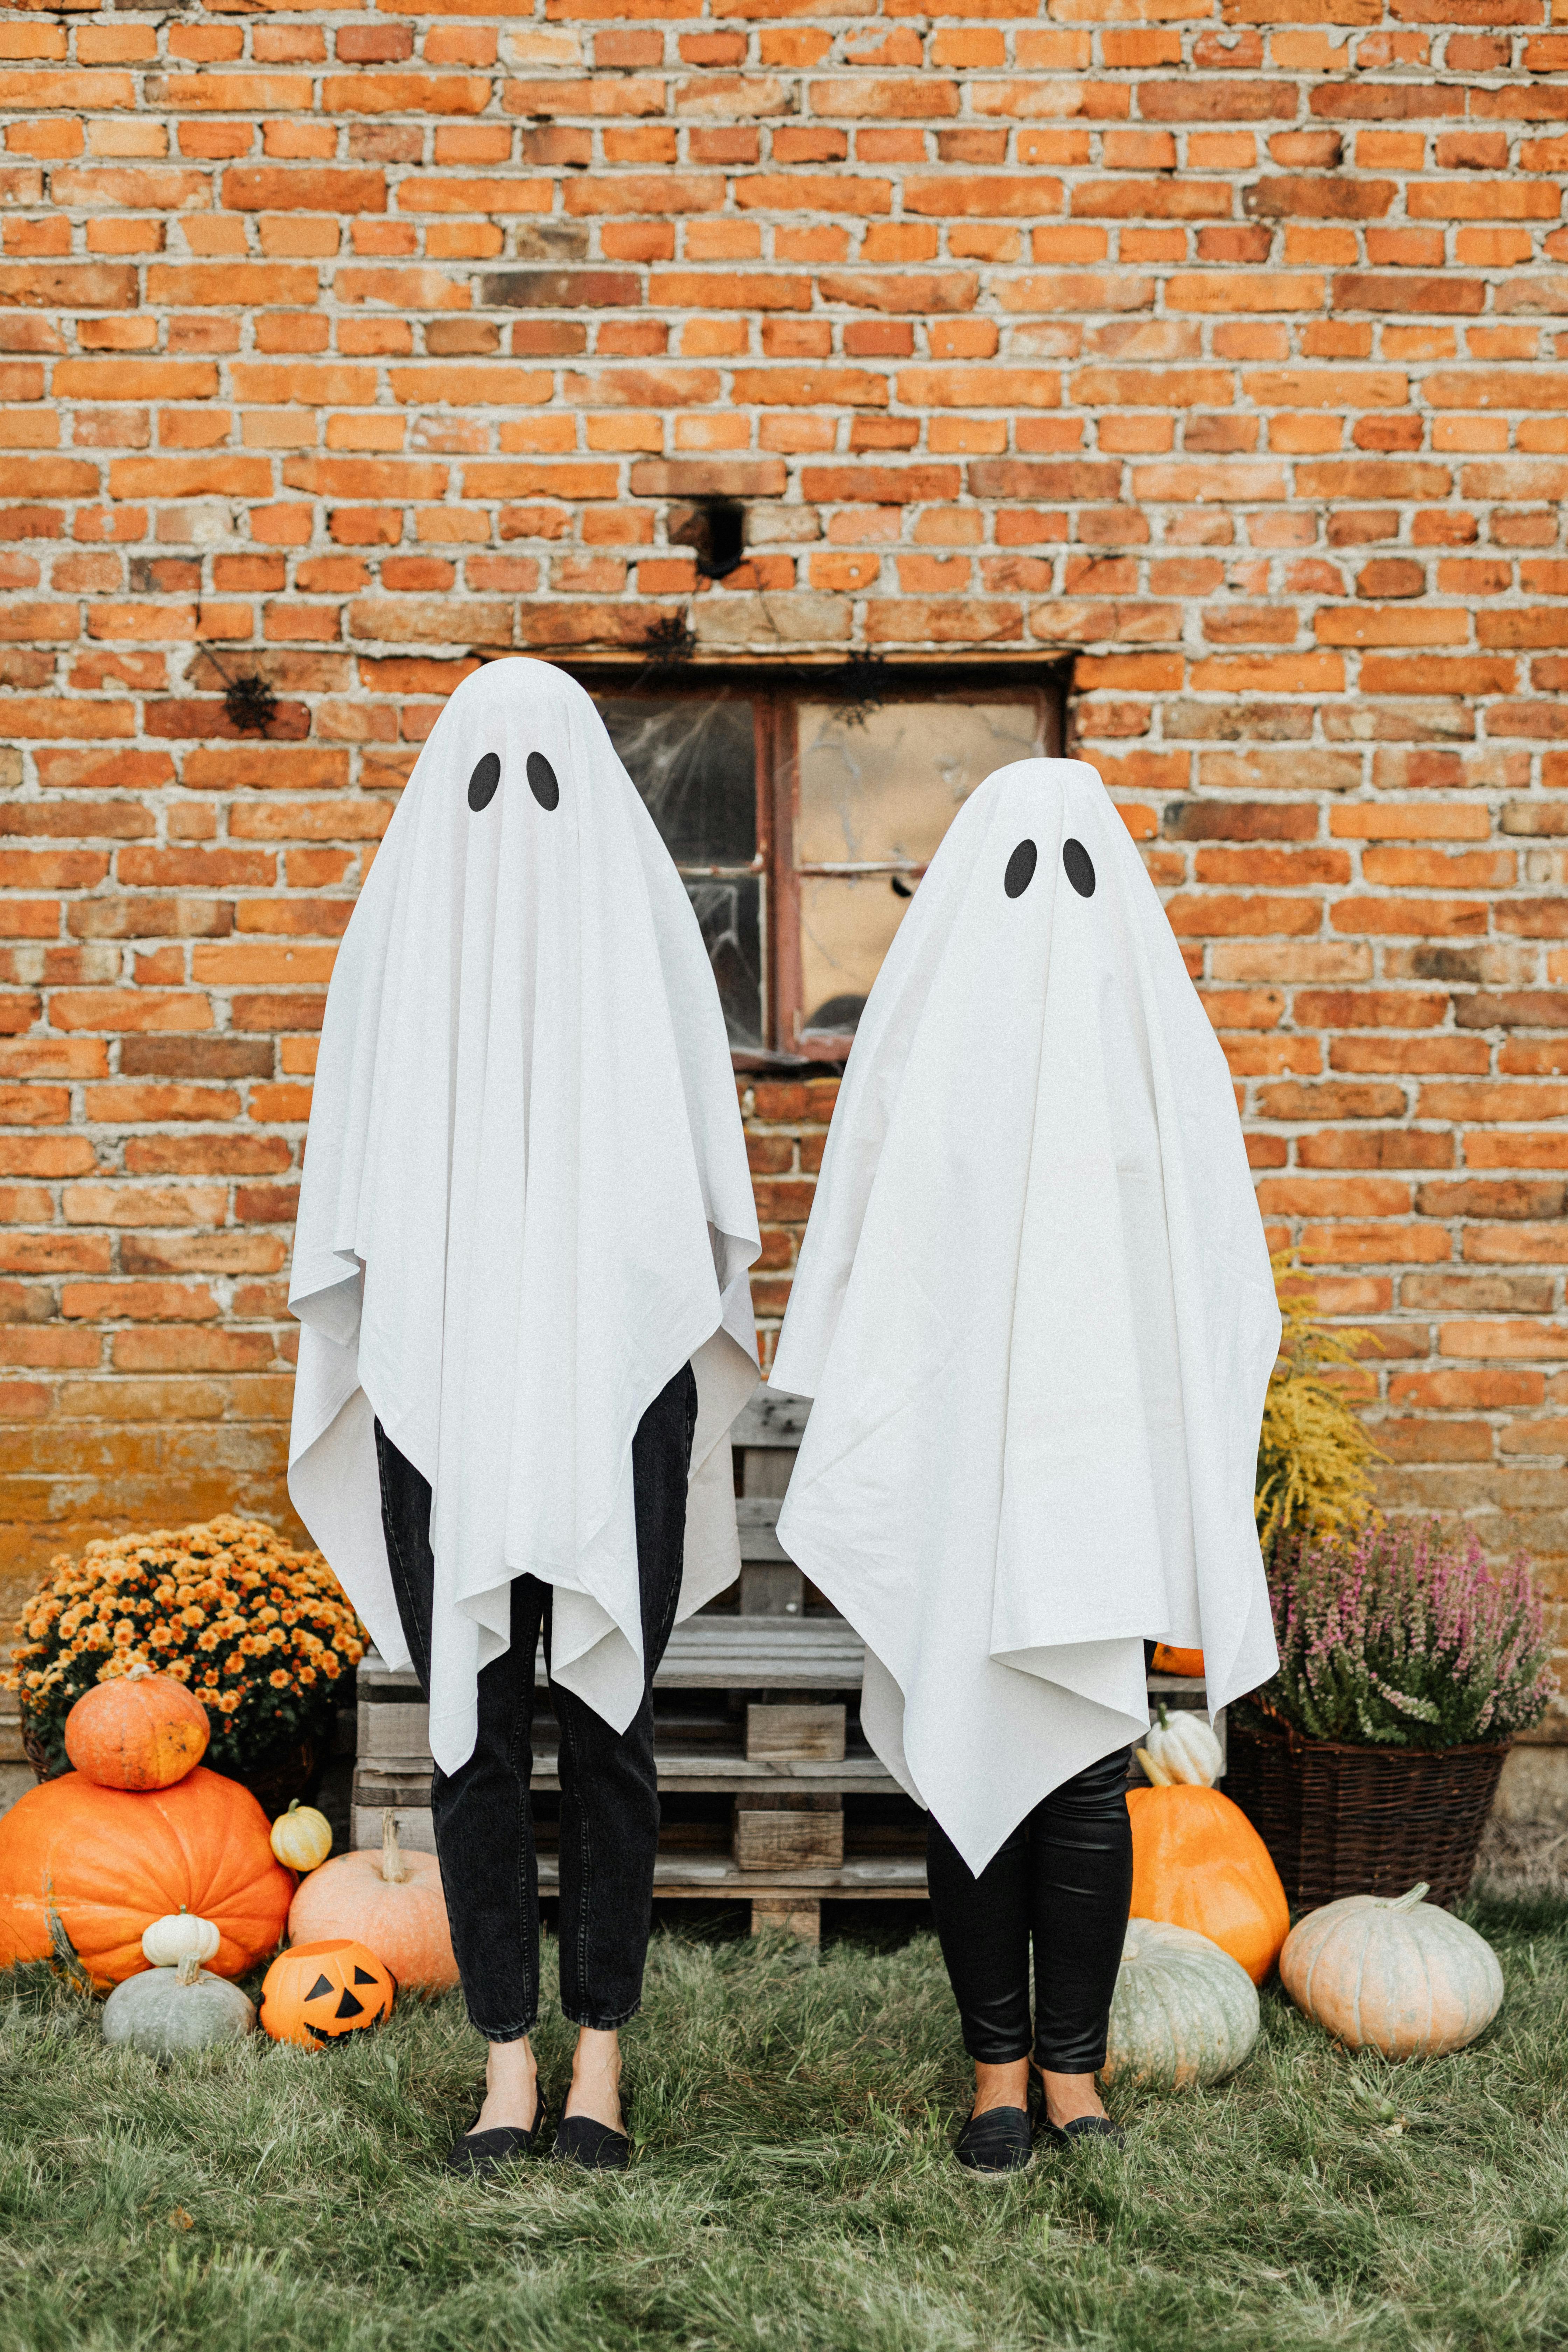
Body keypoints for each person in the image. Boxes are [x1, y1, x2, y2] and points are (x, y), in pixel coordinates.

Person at [770, 759, 1280, 2176]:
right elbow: (872, 1243)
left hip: (1093, 1475)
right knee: (967, 1761)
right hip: (957, 1479)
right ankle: (995, 2064)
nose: (1045, 908)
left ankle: (1073, 2072)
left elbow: (1212, 1272)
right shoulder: (927, 1043)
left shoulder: (1156, 1055)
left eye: (1071, 870)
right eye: (1016, 870)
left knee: (1080, 1774)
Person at [287, 658, 761, 2174]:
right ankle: (506, 2058)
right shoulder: (399, 950)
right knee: (474, 1727)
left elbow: (692, 1178)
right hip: (450, 1389)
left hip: (619, 1383)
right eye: (483, 779)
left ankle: (601, 2057)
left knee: (611, 1722)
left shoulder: (641, 938)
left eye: (542, 775)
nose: (515, 817)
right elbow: (355, 1182)